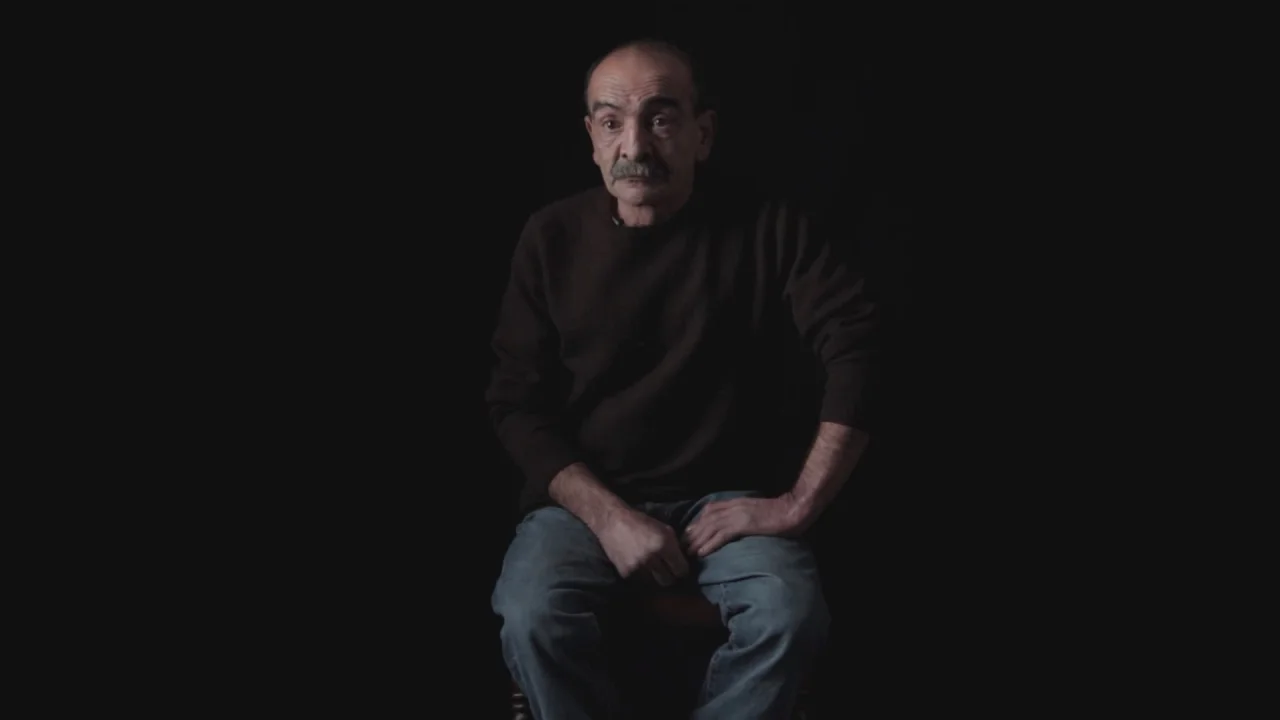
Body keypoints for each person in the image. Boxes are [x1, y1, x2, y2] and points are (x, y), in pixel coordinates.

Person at [487, 38, 876, 720]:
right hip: (583, 504)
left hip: (728, 504)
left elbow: (860, 347)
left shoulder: (769, 229)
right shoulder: (550, 238)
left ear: (704, 133)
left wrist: (796, 506)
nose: (635, 145)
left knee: (788, 616)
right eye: (612, 122)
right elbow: (516, 405)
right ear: (591, 137)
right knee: (531, 615)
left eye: (661, 119)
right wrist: (610, 518)